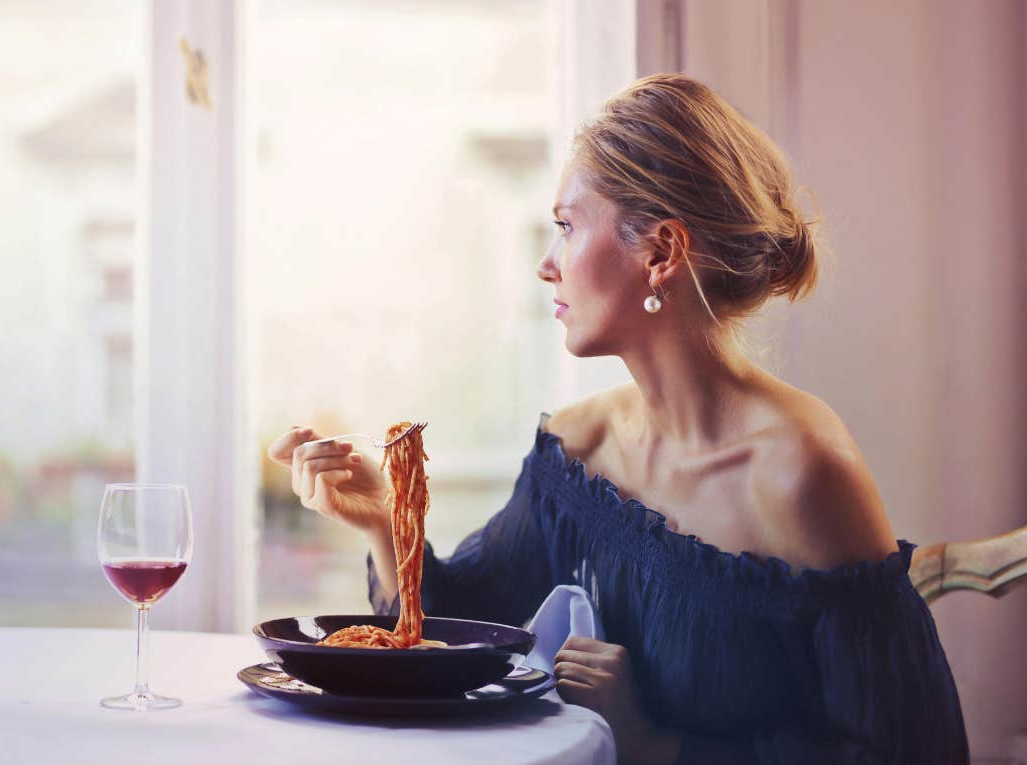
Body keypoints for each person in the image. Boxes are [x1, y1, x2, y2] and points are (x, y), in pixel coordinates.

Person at [267, 73, 967, 764]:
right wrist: (387, 520)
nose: (547, 264)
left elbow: (910, 748)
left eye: (567, 226)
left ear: (660, 252)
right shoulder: (577, 452)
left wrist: (658, 745)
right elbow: (462, 638)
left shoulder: (803, 471)